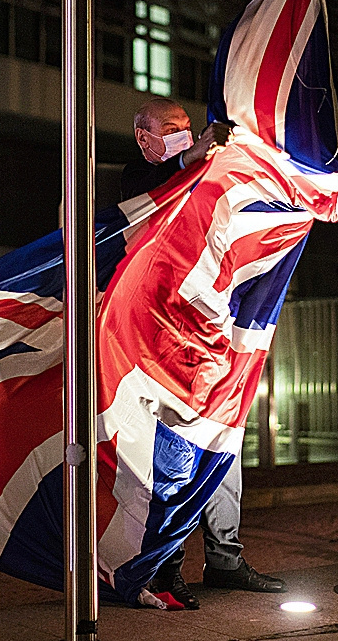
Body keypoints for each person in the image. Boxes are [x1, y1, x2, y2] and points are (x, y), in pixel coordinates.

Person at [121, 97, 287, 611]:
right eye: (170, 129)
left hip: (210, 337)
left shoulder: (203, 174)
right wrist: (193, 155)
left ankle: (225, 559)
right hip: (157, 347)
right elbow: (161, 185)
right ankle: (165, 568)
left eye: (187, 127)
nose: (183, 135)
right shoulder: (135, 181)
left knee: (223, 447)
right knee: (170, 459)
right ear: (142, 134)